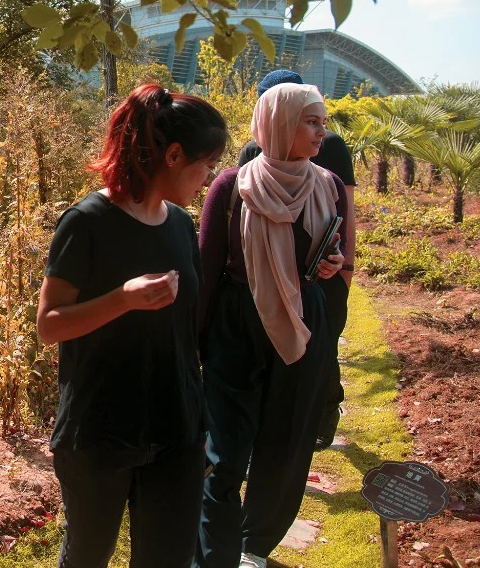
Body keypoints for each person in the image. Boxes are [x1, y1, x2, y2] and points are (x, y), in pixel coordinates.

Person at [38, 84, 228, 568]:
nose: (208, 179)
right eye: (205, 165)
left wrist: (202, 420)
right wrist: (122, 299)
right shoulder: (87, 222)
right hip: (100, 431)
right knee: (87, 557)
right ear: (173, 154)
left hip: (176, 430)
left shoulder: (182, 228)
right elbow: (49, 325)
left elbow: (187, 337)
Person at [196, 83, 349, 568]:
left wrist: (329, 265)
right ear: (279, 123)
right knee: (225, 449)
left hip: (303, 323)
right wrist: (193, 343)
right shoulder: (233, 186)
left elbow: (331, 253)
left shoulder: (325, 185)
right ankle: (214, 550)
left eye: (323, 122)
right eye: (311, 121)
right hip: (238, 325)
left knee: (286, 443)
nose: (321, 131)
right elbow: (207, 270)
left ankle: (252, 545)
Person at [238, 69, 356, 449]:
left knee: (321, 354)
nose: (319, 130)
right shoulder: (248, 161)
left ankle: (323, 413)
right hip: (259, 290)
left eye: (320, 120)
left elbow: (343, 213)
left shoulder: (330, 154)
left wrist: (343, 267)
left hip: (317, 283)